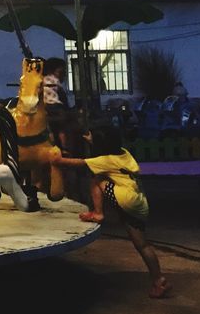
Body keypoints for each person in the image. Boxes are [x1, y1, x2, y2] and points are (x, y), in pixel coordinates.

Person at [52, 126, 170, 299]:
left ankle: (98, 213)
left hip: (126, 200)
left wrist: (55, 159)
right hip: (139, 202)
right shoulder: (122, 153)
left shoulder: (106, 160)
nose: (87, 136)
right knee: (142, 245)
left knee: (97, 178)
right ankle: (159, 280)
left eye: (91, 135)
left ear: (100, 141)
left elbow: (75, 164)